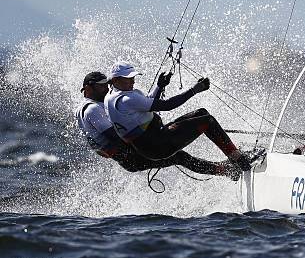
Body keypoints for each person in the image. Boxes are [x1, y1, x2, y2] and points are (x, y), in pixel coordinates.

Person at [75, 71, 240, 179]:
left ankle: (227, 168)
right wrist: (149, 139)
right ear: (87, 89)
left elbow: (143, 106)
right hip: (133, 157)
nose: (106, 89)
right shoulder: (92, 110)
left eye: (106, 85)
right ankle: (228, 169)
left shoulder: (96, 105)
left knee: (198, 117)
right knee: (180, 156)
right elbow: (115, 137)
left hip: (136, 151)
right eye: (101, 86)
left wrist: (159, 87)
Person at [104, 61, 252, 171]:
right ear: (115, 80)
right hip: (156, 145)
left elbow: (145, 103)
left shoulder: (111, 96)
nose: (132, 80)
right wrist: (195, 90)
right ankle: (239, 160)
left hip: (155, 138)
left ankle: (230, 165)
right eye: (127, 78)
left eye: (133, 77)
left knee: (201, 113)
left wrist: (159, 86)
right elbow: (168, 105)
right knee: (208, 121)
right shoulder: (126, 99)